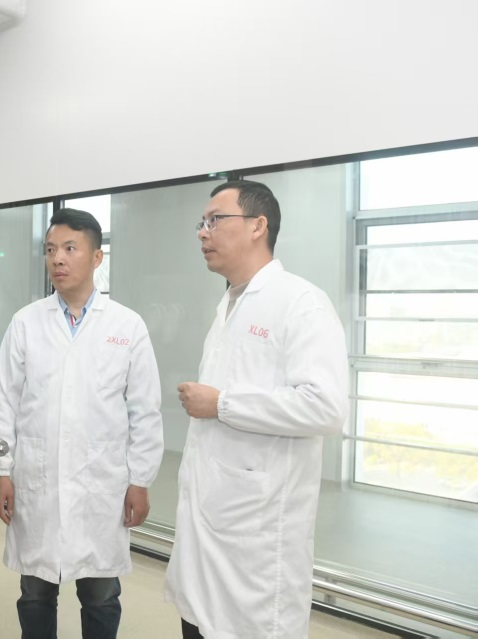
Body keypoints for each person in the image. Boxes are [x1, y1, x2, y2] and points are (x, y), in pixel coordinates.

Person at [166, 180, 349, 638]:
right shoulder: (228, 304)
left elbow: (325, 407)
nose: (203, 232)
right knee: (198, 623)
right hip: (210, 526)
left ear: (257, 226)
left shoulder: (301, 303)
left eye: (215, 220)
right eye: (201, 223)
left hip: (259, 541)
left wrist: (222, 404)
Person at [0, 208, 164, 639]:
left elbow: (145, 410)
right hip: (38, 479)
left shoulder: (126, 325)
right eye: (51, 250)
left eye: (70, 248)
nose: (58, 259)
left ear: (97, 257)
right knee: (35, 592)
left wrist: (140, 480)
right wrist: (0, 471)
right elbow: (4, 400)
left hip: (101, 485)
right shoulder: (26, 322)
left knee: (101, 595)